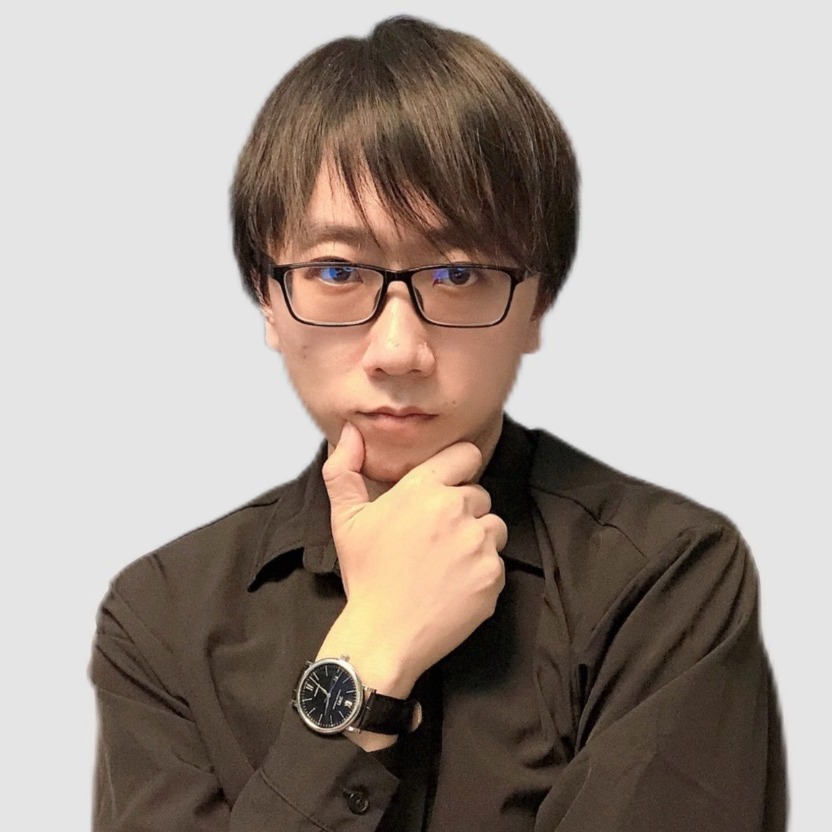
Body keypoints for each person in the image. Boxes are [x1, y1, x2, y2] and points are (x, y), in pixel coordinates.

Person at [89, 14, 787, 831]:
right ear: (268, 299)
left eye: (458, 274)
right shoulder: (162, 616)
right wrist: (370, 652)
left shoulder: (666, 578)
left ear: (538, 303)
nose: (398, 350)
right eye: (336, 270)